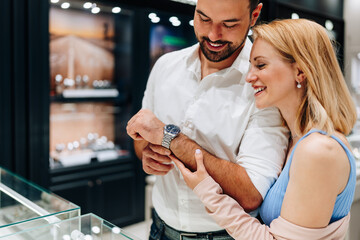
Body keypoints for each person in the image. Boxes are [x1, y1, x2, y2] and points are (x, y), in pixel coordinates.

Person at [172, 18, 358, 240]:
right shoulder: (296, 140)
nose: (250, 77)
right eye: (251, 65)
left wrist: (208, 191)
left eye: (260, 65)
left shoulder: (317, 150)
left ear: (300, 70)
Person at [127, 0, 290, 239]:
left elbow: (251, 193)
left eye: (229, 24)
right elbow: (142, 140)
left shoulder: (264, 84)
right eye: (203, 19)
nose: (213, 35)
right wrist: (147, 153)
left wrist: (171, 139)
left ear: (254, 15)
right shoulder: (165, 66)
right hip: (160, 228)